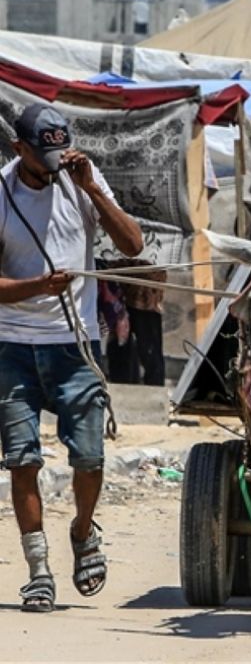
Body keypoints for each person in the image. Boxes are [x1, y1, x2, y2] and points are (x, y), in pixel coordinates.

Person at [0, 103, 144, 612]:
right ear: (20, 150)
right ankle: (38, 570)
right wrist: (37, 286)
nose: (55, 162)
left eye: (60, 150)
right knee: (23, 461)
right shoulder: (1, 192)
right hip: (12, 348)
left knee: (89, 457)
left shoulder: (82, 179)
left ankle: (83, 532)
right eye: (44, 155)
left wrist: (93, 191)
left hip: (75, 345)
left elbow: (131, 244)